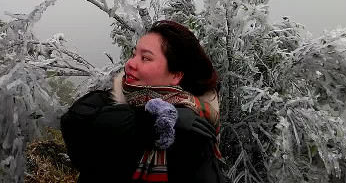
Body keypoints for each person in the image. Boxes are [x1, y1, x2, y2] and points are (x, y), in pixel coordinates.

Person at [61, 20, 227, 183]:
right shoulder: (112, 99)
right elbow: (73, 123)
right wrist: (153, 120)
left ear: (176, 75)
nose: (130, 64)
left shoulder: (191, 131)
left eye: (146, 58)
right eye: (134, 55)